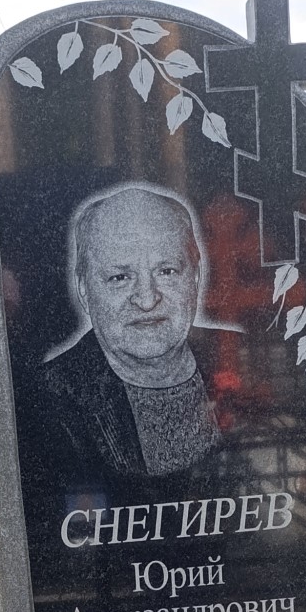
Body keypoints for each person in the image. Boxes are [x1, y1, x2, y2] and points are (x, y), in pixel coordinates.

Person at [39, 184, 230, 481]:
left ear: (195, 276)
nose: (147, 299)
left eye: (166, 271)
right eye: (120, 277)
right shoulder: (48, 396)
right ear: (84, 290)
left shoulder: (243, 356)